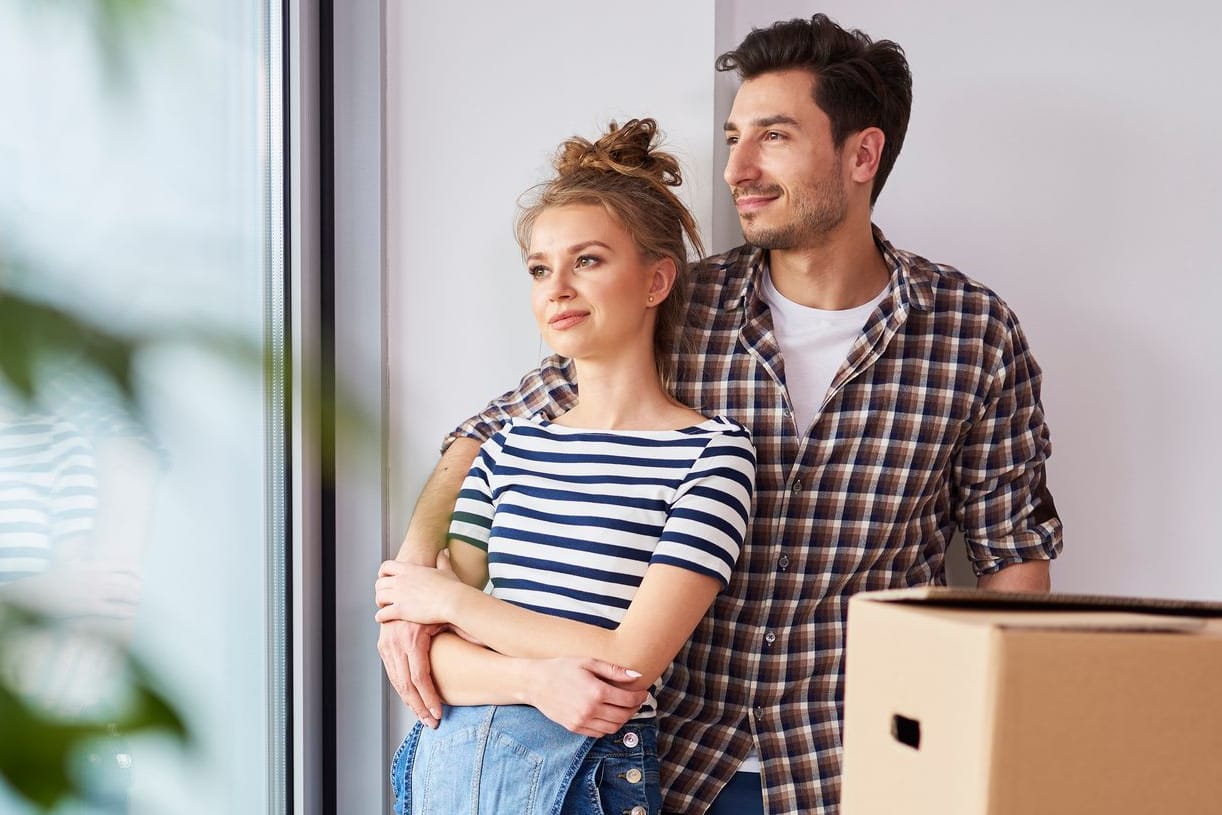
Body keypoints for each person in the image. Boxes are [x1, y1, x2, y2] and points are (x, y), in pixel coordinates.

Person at [378, 14, 1063, 815]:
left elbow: (1010, 557)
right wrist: (412, 578)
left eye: (772, 136)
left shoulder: (972, 331)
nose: (737, 166)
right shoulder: (680, 302)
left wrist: (987, 749)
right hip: (665, 764)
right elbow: (489, 428)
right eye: (736, 136)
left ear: (861, 154)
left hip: (856, 764)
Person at [374, 118, 756, 814]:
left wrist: (455, 602)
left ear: (656, 280)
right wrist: (535, 680)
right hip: (453, 774)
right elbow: (426, 661)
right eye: (541, 268)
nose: (557, 287)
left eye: (588, 260)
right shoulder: (507, 448)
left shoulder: (712, 453)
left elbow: (631, 661)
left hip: (588, 780)